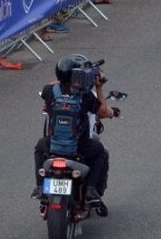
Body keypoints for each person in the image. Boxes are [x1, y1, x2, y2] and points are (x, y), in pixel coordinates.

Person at [33, 55, 116, 217]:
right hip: (80, 148)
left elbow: (52, 85)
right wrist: (99, 86)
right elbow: (103, 112)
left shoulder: (49, 91)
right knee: (100, 152)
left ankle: (40, 187)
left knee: (39, 147)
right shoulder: (85, 96)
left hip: (53, 146)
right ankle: (91, 190)